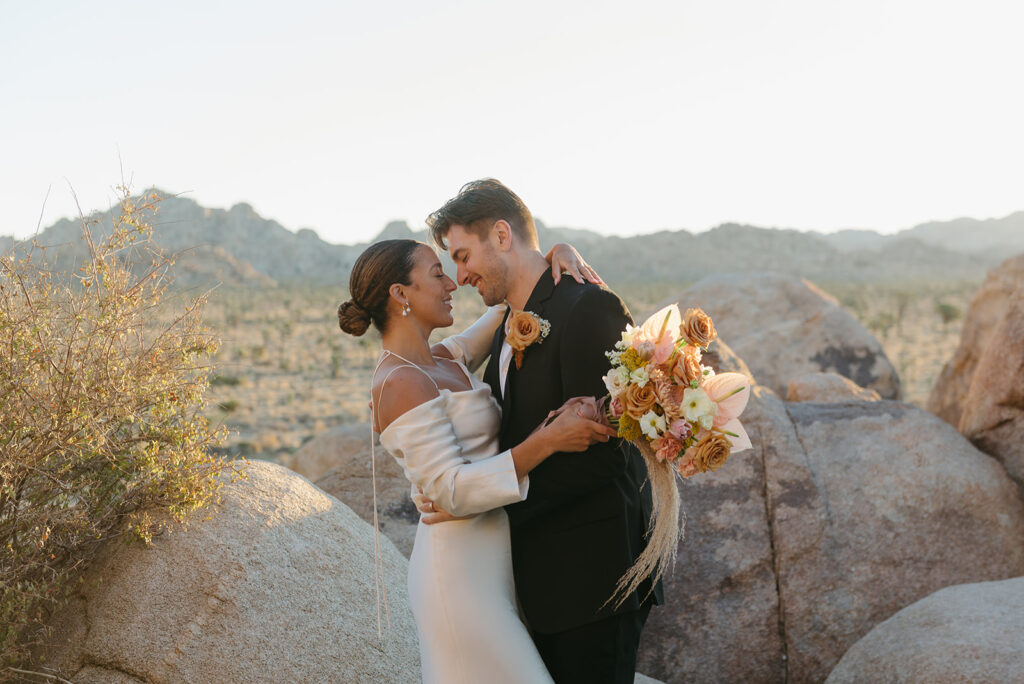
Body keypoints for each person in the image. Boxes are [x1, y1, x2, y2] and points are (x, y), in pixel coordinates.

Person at [337, 238, 616, 684]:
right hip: (458, 577)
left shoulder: (445, 359)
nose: (452, 283)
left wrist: (557, 253)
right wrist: (549, 440)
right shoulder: (399, 382)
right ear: (400, 294)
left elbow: (510, 303)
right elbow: (450, 491)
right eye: (436, 274)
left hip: (495, 567)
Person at [423, 179, 664, 684]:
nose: (460, 275)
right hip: (541, 582)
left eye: (464, 256)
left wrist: (482, 499)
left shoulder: (588, 309)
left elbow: (608, 458)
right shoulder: (510, 318)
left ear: (503, 235)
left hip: (594, 581)